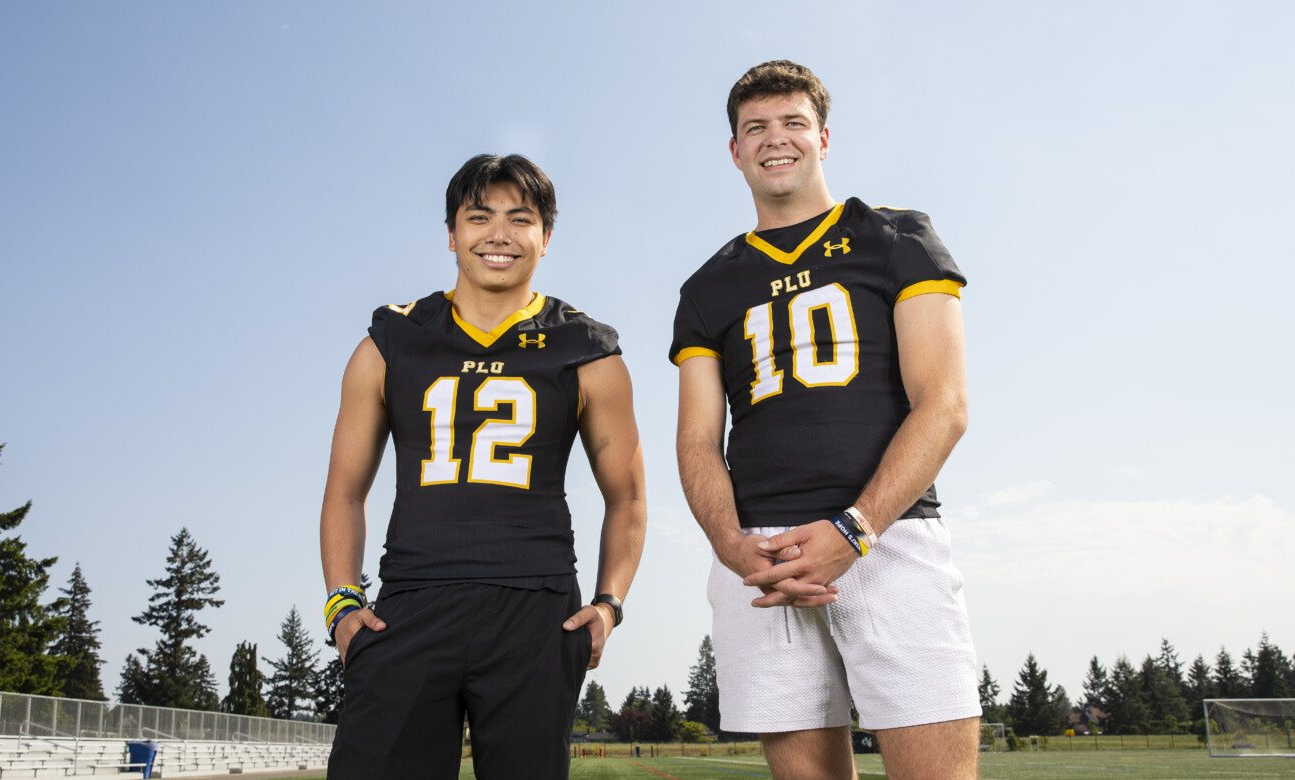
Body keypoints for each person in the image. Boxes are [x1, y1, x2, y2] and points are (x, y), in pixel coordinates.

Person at [671, 61, 980, 780]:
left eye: (792, 124)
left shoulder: (896, 236)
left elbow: (946, 404)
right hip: (764, 558)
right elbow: (695, 442)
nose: (775, 140)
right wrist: (729, 544)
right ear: (735, 150)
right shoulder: (707, 286)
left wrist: (856, 530)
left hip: (888, 536)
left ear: (823, 137)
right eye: (756, 128)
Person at [321, 153, 646, 779]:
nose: (498, 234)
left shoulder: (586, 348)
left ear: (545, 238)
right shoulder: (391, 340)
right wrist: (342, 603)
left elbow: (627, 497)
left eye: (519, 219)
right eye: (479, 217)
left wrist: (609, 604)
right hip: (409, 606)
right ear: (451, 234)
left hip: (536, 610)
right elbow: (343, 492)